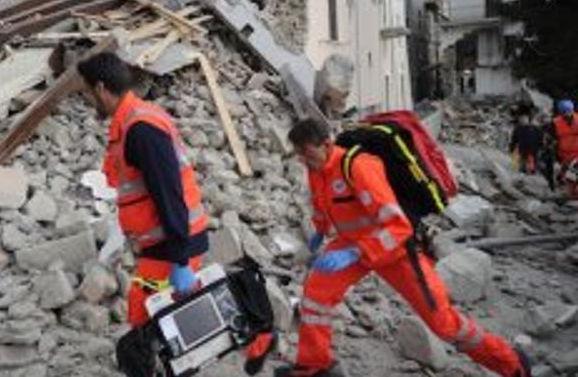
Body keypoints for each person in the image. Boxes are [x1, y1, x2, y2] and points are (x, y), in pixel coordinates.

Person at [274, 117, 532, 377]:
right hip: (351, 245)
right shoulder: (316, 168)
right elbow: (322, 203)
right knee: (316, 295)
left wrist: (356, 252)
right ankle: (314, 366)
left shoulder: (360, 167)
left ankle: (511, 363)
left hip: (394, 250)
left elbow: (399, 227)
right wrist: (320, 231)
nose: (303, 160)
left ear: (327, 145)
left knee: (442, 322)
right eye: (299, 154)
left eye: (307, 153)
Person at [77, 52, 274, 375]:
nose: (87, 100)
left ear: (100, 88)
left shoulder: (140, 130)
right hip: (165, 243)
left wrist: (181, 259)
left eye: (86, 92)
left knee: (148, 326)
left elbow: (169, 194)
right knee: (167, 322)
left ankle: (256, 337)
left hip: (171, 246)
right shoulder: (135, 119)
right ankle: (256, 340)